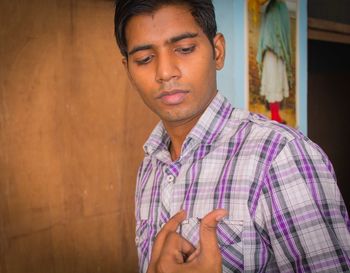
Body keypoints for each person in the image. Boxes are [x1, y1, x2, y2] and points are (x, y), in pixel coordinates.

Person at [114, 0, 350, 272]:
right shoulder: (151, 164)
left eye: (185, 49)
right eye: (145, 59)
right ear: (129, 71)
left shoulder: (281, 155)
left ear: (217, 52)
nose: (165, 72)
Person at [256, 0, 292, 124]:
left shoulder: (282, 7)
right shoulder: (269, 7)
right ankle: (275, 116)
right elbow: (266, 32)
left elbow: (284, 31)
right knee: (272, 82)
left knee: (277, 83)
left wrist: (281, 48)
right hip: (270, 51)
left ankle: (276, 116)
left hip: (280, 54)